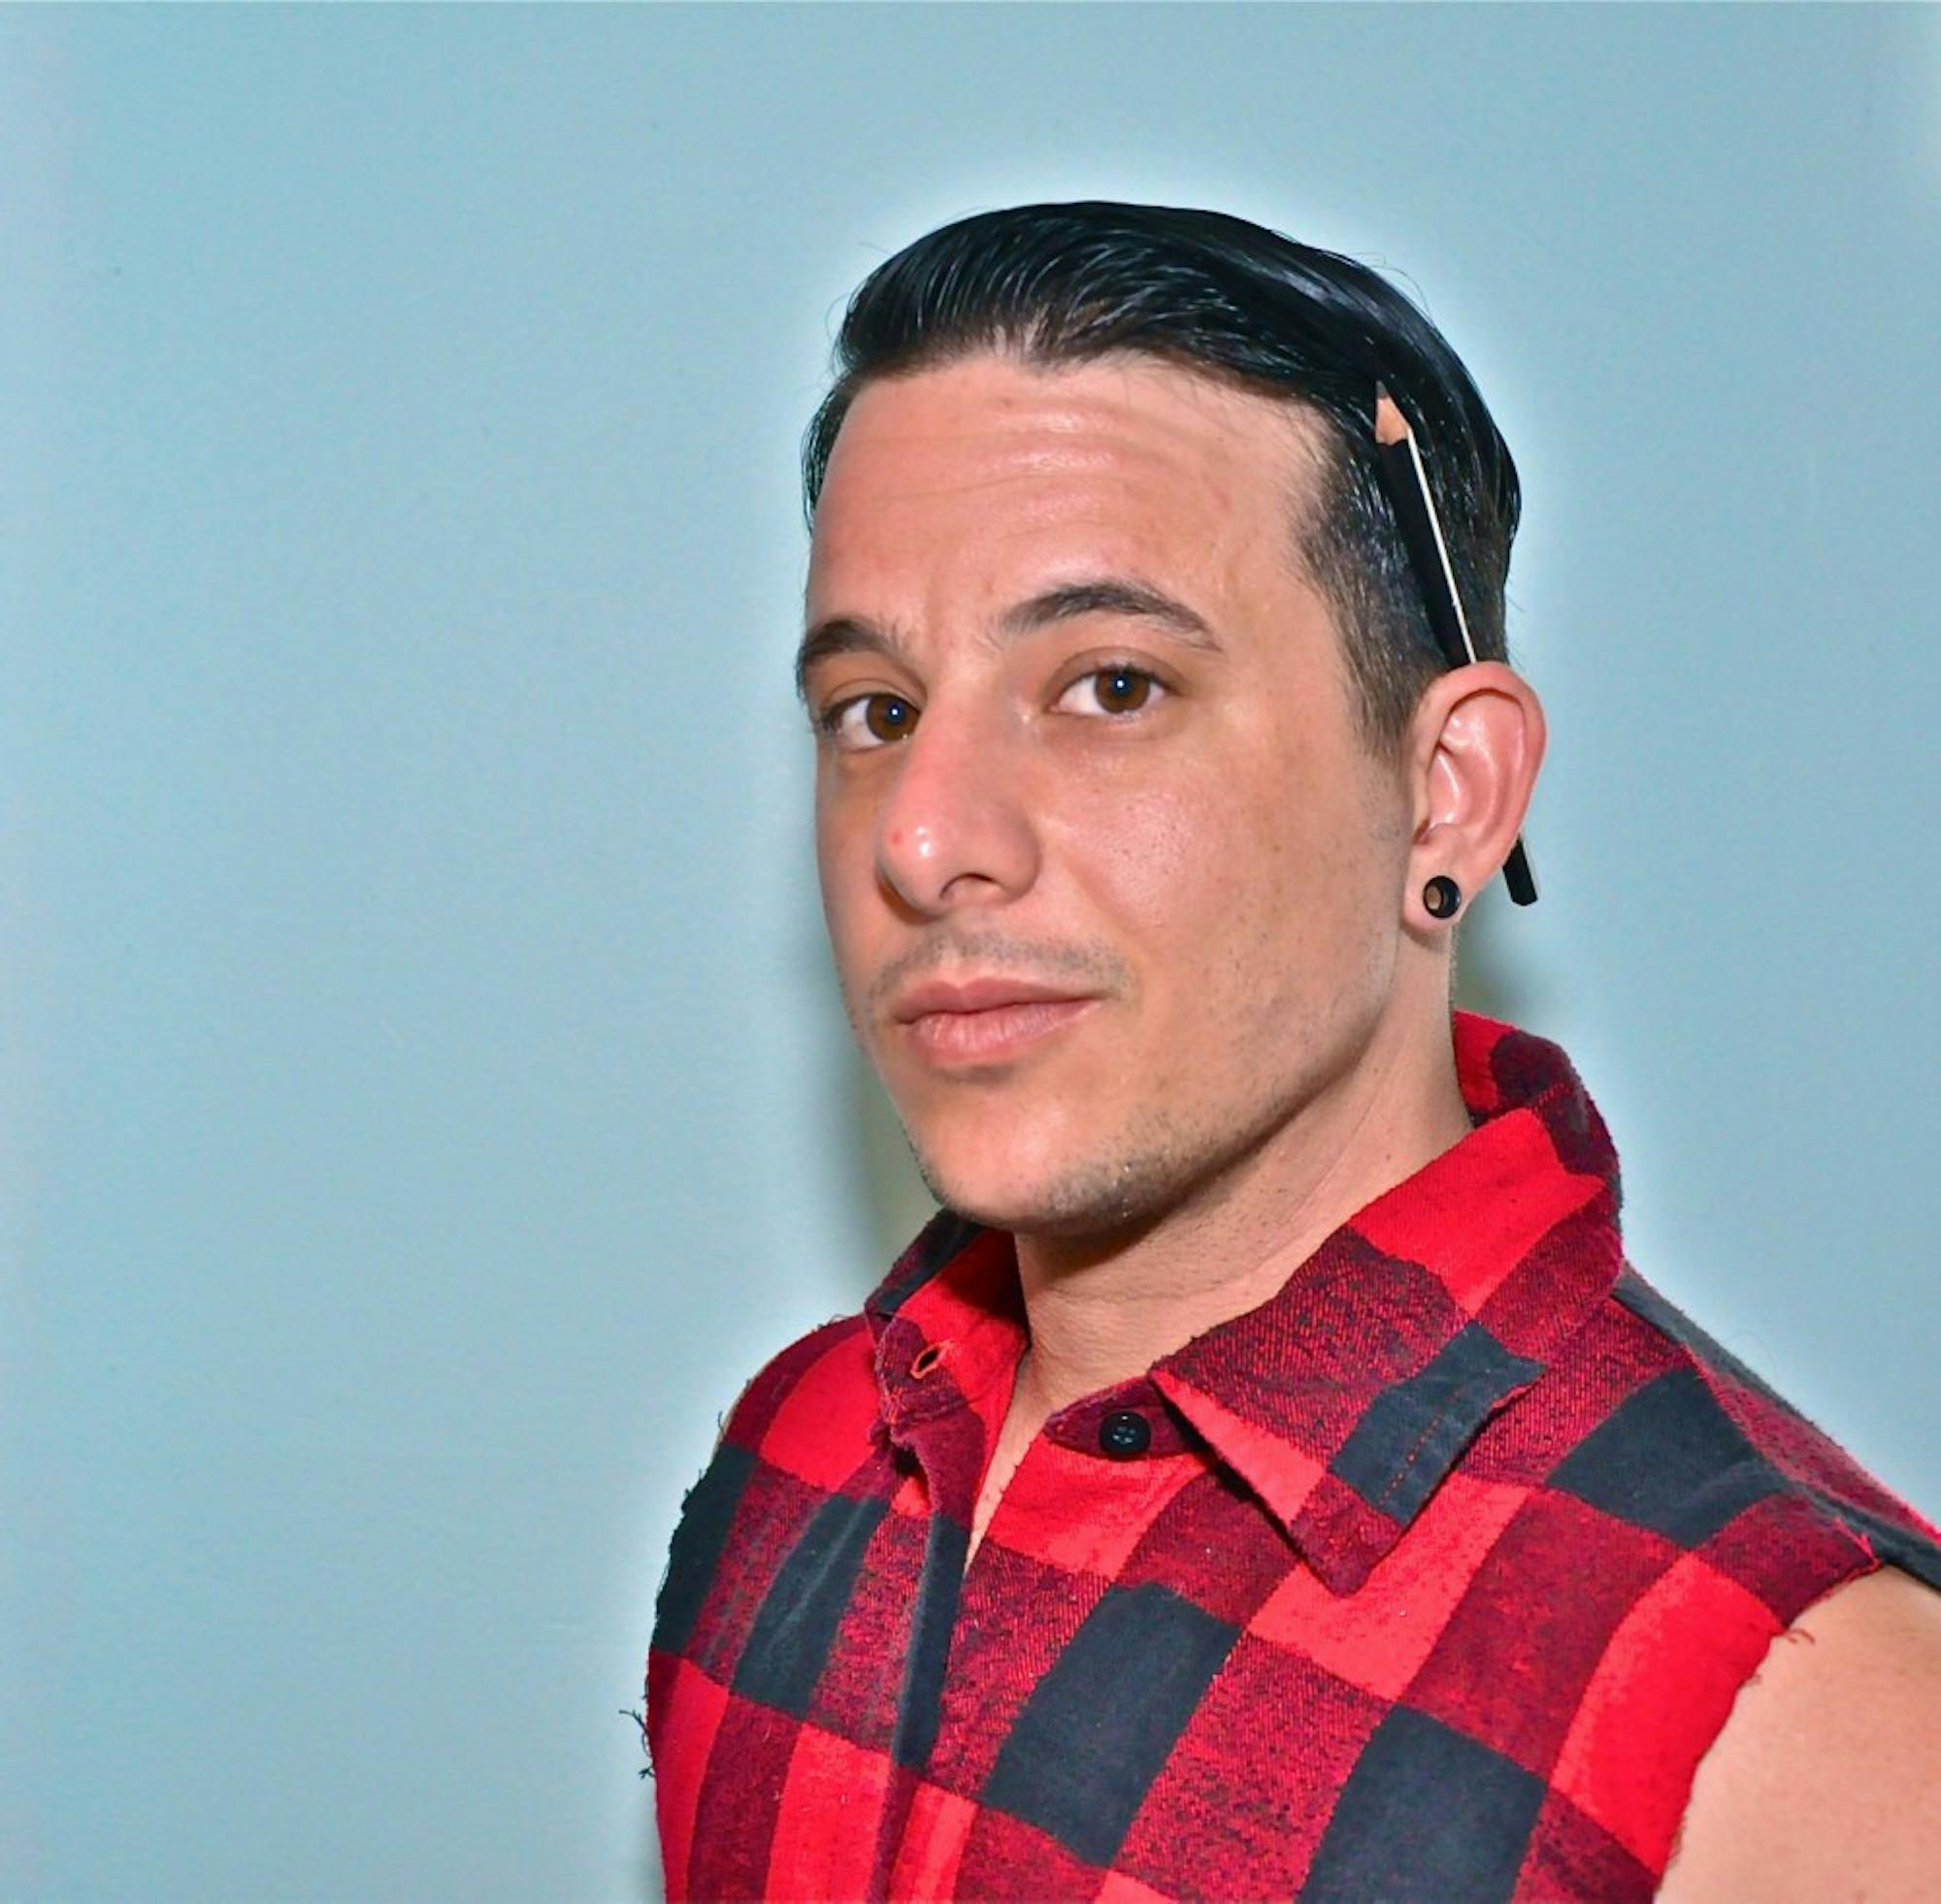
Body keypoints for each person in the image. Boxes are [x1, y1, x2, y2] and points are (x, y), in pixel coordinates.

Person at [643, 201, 1941, 1900]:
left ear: (1448, 793)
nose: (926, 837)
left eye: (1113, 686)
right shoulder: (795, 1451)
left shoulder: (1810, 1722)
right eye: (874, 712)